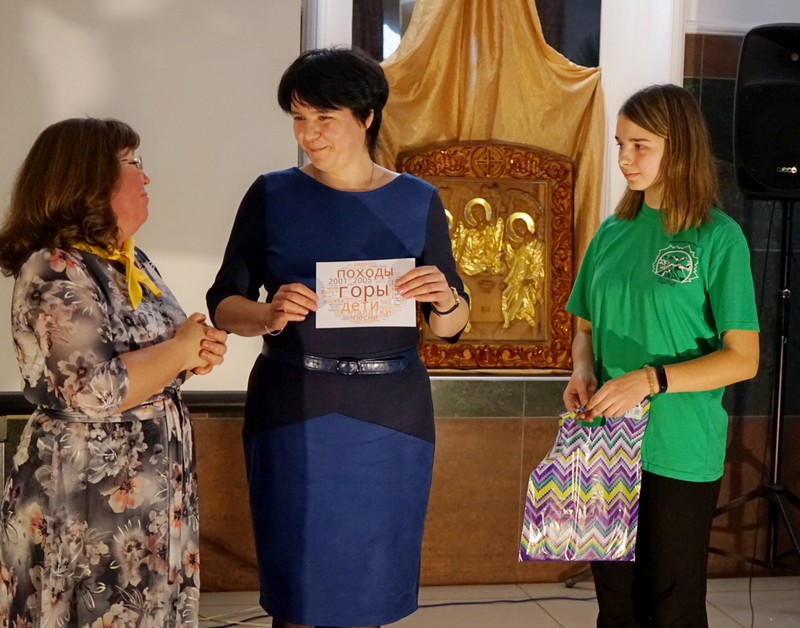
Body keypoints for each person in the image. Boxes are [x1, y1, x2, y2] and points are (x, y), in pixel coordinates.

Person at [206, 47, 469, 628]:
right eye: (299, 118)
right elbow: (223, 303)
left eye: (324, 118)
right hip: (294, 403)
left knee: (369, 590)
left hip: (391, 411)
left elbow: (449, 327)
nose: (309, 134)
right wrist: (268, 314)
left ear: (367, 116)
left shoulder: (418, 199)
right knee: (298, 592)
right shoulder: (271, 194)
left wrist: (446, 300)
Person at [0, 118, 228, 626]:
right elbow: (93, 389)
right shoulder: (54, 267)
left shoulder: (129, 259)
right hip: (86, 497)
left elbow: (154, 357)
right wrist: (180, 349)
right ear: (88, 178)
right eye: (131, 163)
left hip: (151, 493)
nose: (145, 177)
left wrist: (193, 353)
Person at [563, 84, 760, 627]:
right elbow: (584, 326)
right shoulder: (611, 233)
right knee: (616, 606)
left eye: (640, 146)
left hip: (679, 448)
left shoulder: (718, 238)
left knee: (671, 607)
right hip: (605, 443)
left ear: (680, 147)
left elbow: (743, 358)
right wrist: (582, 369)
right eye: (620, 144)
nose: (625, 158)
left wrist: (649, 380)